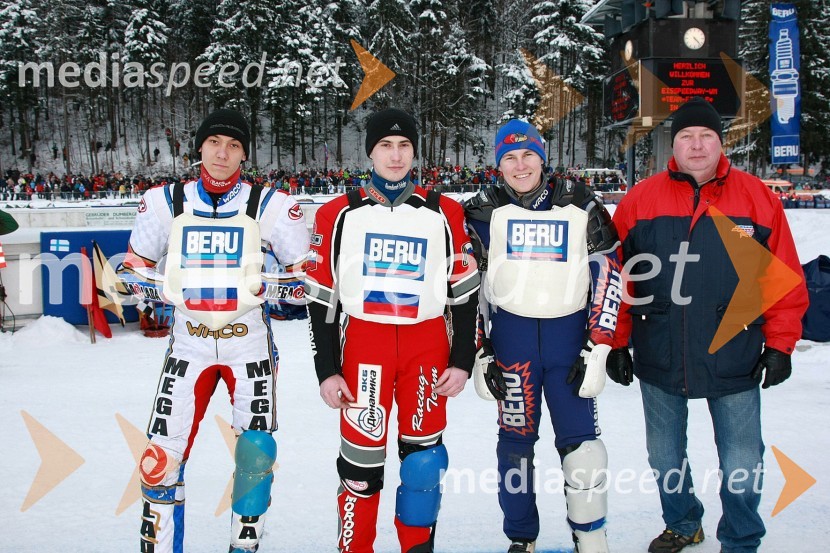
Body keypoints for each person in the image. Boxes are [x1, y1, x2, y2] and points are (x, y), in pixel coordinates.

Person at [606, 97, 809, 553]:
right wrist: (618, 342)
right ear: (672, 144)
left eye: (706, 137)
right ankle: (683, 522)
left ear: (721, 142)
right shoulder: (640, 199)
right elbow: (616, 276)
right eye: (685, 137)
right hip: (659, 350)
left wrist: (780, 345)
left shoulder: (757, 198)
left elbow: (784, 278)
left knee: (741, 459)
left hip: (733, 351)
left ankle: (740, 538)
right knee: (664, 457)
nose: (696, 146)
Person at [119, 108, 310, 553]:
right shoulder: (165, 201)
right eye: (214, 143)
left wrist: (277, 286)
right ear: (199, 146)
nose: (222, 153)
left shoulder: (272, 204)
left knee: (255, 454)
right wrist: (160, 287)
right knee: (160, 459)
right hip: (190, 346)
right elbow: (133, 272)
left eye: (234, 145)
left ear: (245, 153)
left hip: (249, 347)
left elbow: (307, 283)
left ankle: (244, 548)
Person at [305, 107, 480, 553]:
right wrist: (327, 370)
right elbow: (321, 299)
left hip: (426, 346)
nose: (396, 155)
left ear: (415, 152)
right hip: (365, 347)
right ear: (370, 152)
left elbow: (464, 295)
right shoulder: (339, 214)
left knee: (423, 463)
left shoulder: (444, 211)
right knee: (360, 469)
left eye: (404, 146)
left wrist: (462, 361)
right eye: (385, 145)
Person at [463, 120, 622, 553]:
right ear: (498, 164)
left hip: (568, 340)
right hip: (512, 342)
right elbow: (465, 288)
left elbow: (609, 270)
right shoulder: (479, 210)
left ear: (542, 157)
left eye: (528, 155)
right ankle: (521, 537)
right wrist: (480, 349)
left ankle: (591, 537)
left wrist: (600, 343)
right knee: (514, 449)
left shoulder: (580, 201)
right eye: (509, 157)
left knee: (584, 451)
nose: (520, 165)